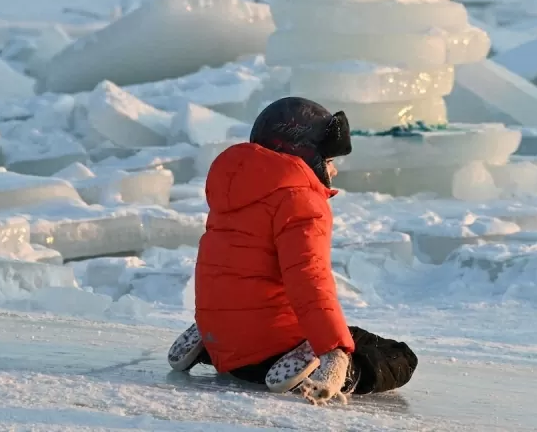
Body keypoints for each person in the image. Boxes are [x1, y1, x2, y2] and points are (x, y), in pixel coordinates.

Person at [166, 96, 418, 404]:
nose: (334, 171)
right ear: (304, 154)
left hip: (224, 345)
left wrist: (217, 329)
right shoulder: (300, 201)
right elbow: (309, 281)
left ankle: (215, 334)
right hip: (269, 354)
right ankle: (313, 366)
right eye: (329, 161)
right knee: (396, 356)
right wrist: (333, 353)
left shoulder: (233, 190)